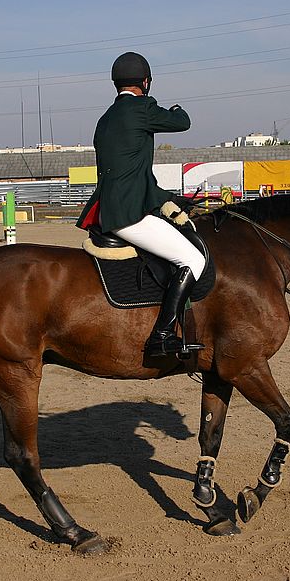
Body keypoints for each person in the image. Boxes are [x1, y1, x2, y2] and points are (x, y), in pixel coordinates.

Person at [76, 51, 206, 357]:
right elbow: (182, 122)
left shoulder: (105, 118)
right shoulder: (142, 108)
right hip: (128, 215)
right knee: (194, 260)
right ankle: (161, 335)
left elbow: (131, 175)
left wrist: (166, 200)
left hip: (110, 208)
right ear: (145, 82)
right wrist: (175, 107)